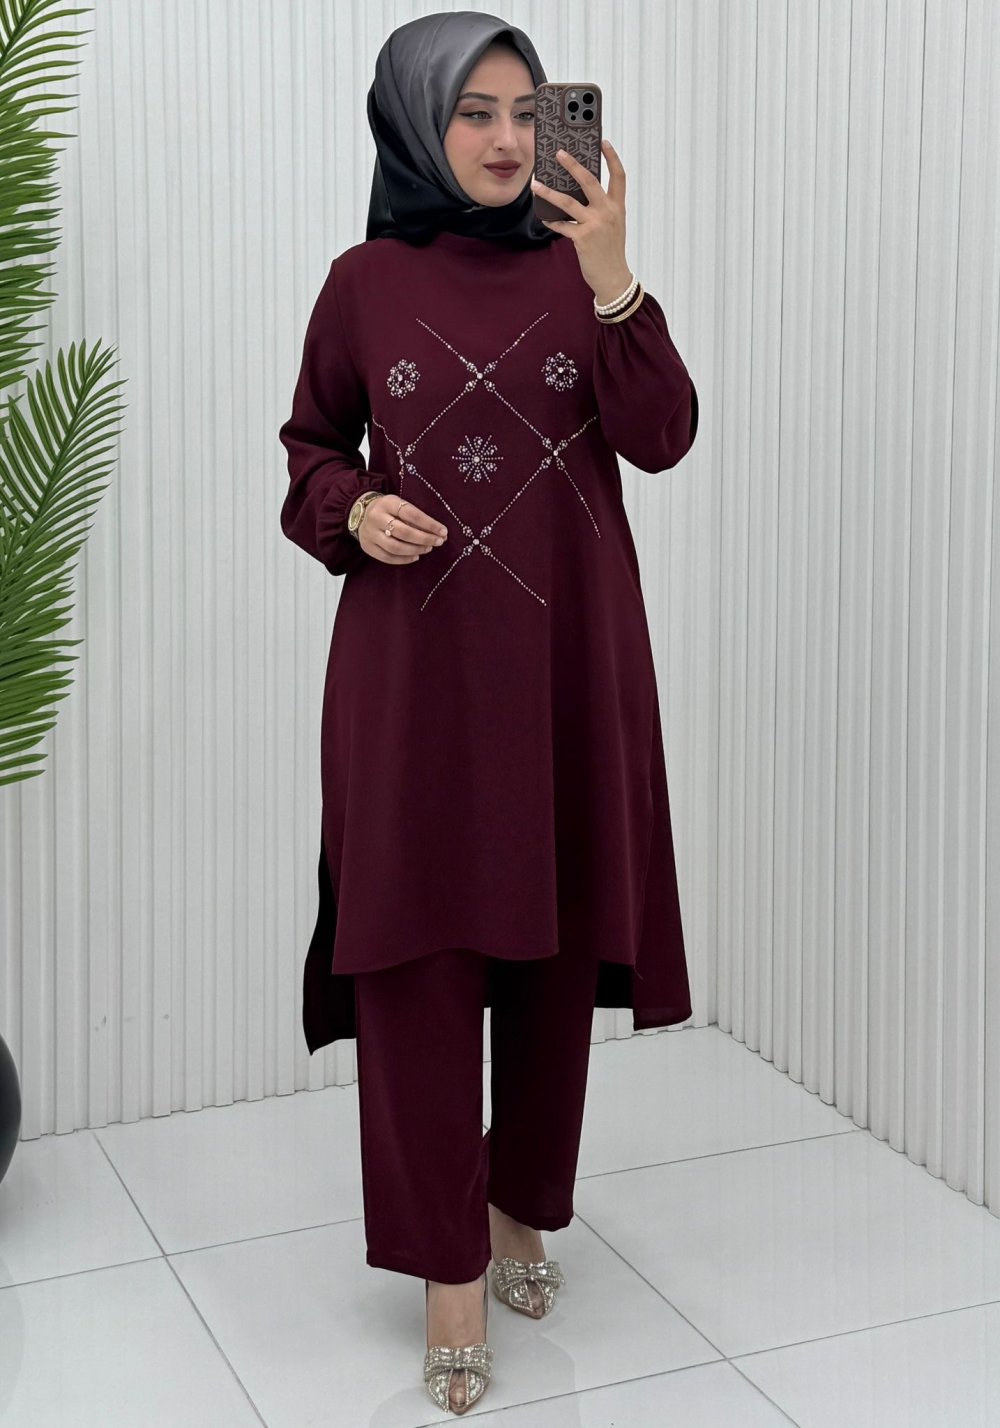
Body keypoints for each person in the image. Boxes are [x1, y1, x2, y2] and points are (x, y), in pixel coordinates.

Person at [278, 10, 699, 1415]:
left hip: (570, 667)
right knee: (416, 961)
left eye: (529, 110)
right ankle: (446, 1272)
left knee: (552, 948)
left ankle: (522, 1207)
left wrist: (617, 278)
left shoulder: (586, 272)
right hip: (413, 678)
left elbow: (661, 436)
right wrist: (355, 510)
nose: (511, 139)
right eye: (476, 112)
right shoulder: (363, 283)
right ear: (417, 121)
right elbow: (308, 451)